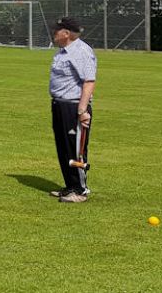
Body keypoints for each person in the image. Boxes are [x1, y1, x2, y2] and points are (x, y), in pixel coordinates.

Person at [48, 17, 97, 204]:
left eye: (57, 30)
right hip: (59, 105)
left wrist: (82, 110)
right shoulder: (62, 52)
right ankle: (69, 186)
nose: (54, 34)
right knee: (63, 147)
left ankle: (80, 190)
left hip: (74, 107)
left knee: (76, 150)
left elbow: (89, 81)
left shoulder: (81, 51)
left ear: (66, 33)